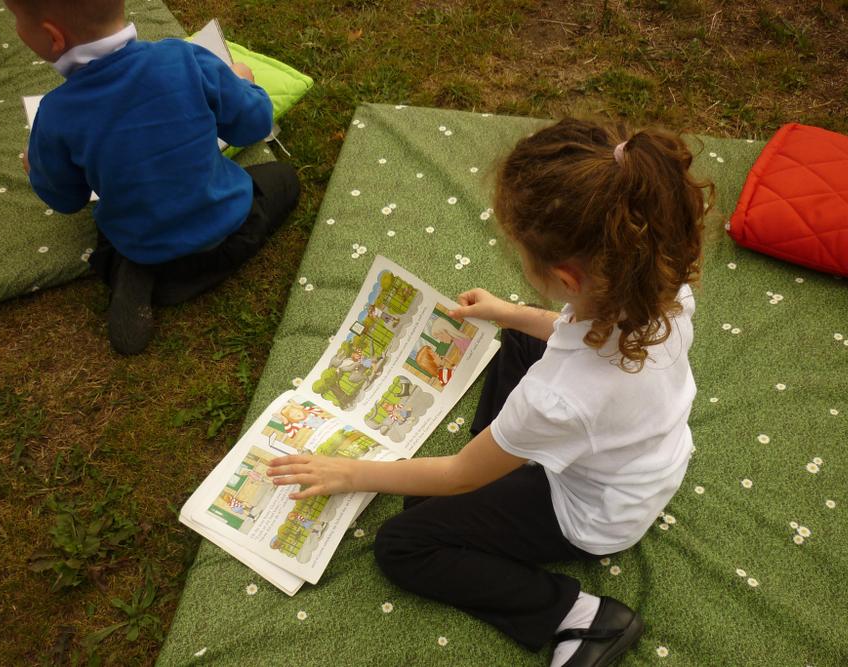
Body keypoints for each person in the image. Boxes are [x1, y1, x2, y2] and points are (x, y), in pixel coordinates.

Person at [266, 118, 711, 667]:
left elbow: (458, 476)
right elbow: (575, 332)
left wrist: (351, 472)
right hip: (641, 460)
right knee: (520, 337)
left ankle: (581, 616)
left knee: (402, 543)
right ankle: (503, 453)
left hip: (592, 514)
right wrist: (510, 312)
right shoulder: (664, 288)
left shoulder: (557, 398)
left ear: (567, 279)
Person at [6, 0, 300, 354]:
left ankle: (132, 274)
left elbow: (66, 198)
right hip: (234, 232)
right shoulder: (184, 57)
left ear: (53, 36)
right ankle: (186, 259)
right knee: (284, 178)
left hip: (149, 251)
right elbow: (253, 124)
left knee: (114, 220)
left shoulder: (55, 113)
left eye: (15, 19)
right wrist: (241, 81)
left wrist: (35, 168)